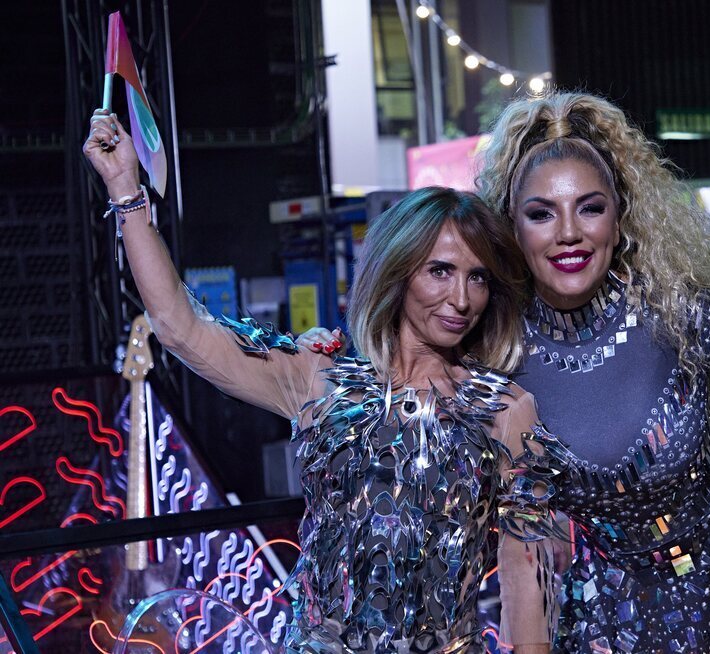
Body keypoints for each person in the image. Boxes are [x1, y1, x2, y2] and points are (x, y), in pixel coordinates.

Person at [83, 111, 560, 653]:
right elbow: (180, 327)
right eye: (440, 271)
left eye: (478, 277)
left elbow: (526, 580)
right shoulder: (321, 380)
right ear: (396, 271)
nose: (462, 299)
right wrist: (125, 190)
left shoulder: (503, 409)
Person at [474, 92, 710, 652]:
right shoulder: (493, 352)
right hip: (612, 623)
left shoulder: (676, 311)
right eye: (541, 213)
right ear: (511, 227)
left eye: (590, 207)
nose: (568, 233)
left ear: (619, 217)